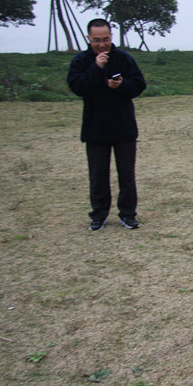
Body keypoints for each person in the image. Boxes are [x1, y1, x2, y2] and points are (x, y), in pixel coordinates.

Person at [67, 18, 147, 230]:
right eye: (96, 40)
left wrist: (121, 85)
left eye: (105, 39)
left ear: (111, 37)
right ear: (88, 38)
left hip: (124, 127)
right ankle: (99, 215)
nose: (101, 44)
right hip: (95, 129)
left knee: (127, 176)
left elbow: (139, 85)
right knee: (98, 177)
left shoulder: (124, 58)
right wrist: (96, 67)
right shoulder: (81, 61)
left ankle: (128, 214)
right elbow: (77, 87)